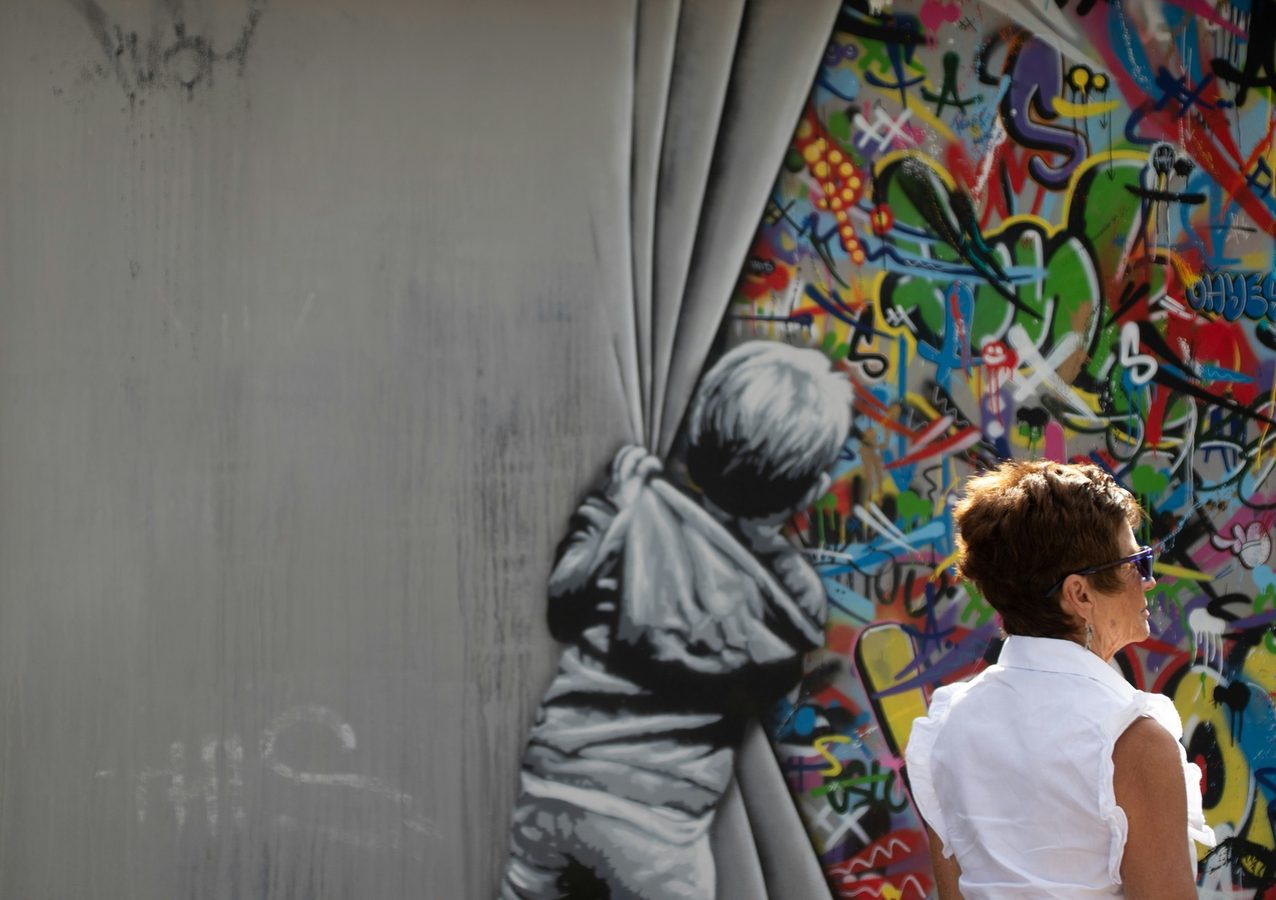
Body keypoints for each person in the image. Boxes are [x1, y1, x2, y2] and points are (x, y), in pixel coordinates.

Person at [499, 341, 853, 899]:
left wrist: (611, 504)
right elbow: (768, 691)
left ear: (694, 442)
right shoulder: (791, 600)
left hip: (556, 791)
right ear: (811, 491)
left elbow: (564, 606)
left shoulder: (636, 514)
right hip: (661, 830)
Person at [905, 460, 1216, 899]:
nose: (1148, 581)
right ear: (1079, 594)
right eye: (1136, 564)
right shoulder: (1131, 741)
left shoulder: (946, 725)